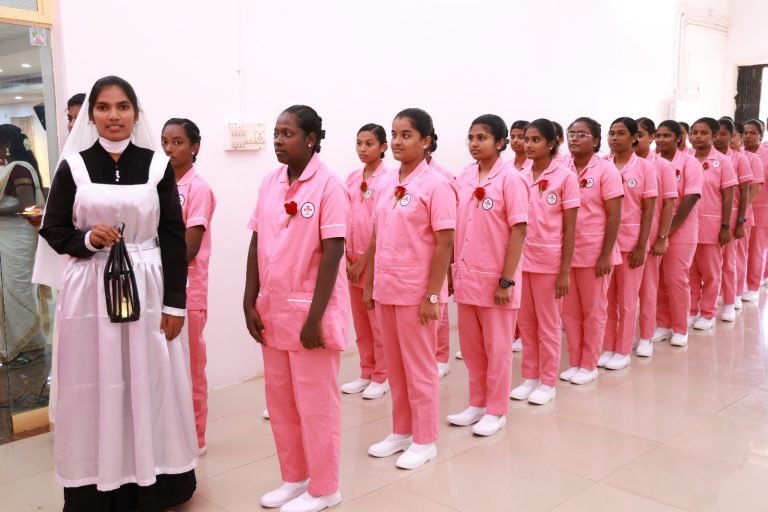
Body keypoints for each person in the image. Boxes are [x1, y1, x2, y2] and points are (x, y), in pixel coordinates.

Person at [38, 75, 197, 511]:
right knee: (94, 380)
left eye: (123, 107)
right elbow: (53, 228)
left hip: (147, 286)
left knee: (151, 379)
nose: (114, 115)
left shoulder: (157, 165)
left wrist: (175, 303)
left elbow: (173, 235)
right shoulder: (74, 166)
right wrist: (87, 240)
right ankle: (96, 483)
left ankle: (157, 480)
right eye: (104, 107)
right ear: (91, 116)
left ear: (135, 113)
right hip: (91, 288)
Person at [243, 105, 349, 512]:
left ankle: (325, 488)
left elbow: (333, 251)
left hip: (310, 315)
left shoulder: (329, 186)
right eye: (276, 133)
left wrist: (315, 318)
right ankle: (294, 478)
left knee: (316, 406)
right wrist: (249, 299)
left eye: (287, 133)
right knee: (281, 404)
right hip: (273, 312)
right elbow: (257, 241)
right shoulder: (270, 183)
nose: (278, 140)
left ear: (310, 139)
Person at [365, 108, 455, 469]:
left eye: (406, 135)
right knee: (396, 367)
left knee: (419, 368)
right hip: (388, 288)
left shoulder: (436, 185)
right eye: (394, 134)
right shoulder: (387, 183)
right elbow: (378, 236)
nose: (397, 142)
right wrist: (371, 284)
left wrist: (432, 295)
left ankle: (425, 439)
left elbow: (444, 244)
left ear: (426, 141)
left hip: (417, 293)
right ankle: (401, 430)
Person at [448, 114, 527, 436]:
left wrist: (507, 280)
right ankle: (477, 403)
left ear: (500, 142)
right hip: (467, 277)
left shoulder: (511, 180)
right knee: (472, 348)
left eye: (481, 138)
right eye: (471, 138)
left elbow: (519, 230)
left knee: (497, 349)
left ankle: (496, 410)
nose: (474, 144)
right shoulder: (465, 177)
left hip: (497, 280)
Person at [510, 119, 579, 404]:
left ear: (551, 144)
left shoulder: (566, 178)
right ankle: (530, 376)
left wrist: (565, 271)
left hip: (549, 262)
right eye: (527, 139)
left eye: (535, 140)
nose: (528, 144)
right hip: (522, 261)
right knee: (526, 323)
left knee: (548, 325)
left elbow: (571, 229)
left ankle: (548, 381)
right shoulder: (518, 176)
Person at [162, 118, 217, 454]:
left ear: (194, 147)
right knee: (166, 367)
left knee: (192, 367)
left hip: (188, 290)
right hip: (162, 287)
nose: (169, 149)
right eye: (165, 142)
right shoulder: (160, 185)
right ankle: (171, 433)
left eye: (178, 142)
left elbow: (190, 248)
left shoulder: (199, 189)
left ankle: (196, 437)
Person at [560, 117, 622, 381]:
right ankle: (575, 361)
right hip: (566, 253)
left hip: (595, 251)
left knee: (593, 310)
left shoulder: (606, 171)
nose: (574, 138)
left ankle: (589, 364)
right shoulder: (561, 167)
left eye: (581, 134)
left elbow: (614, 216)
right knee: (569, 312)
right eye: (571, 133)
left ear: (596, 141)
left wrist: (606, 254)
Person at [601, 118, 656, 369]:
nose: (614, 138)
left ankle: (623, 350)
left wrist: (642, 246)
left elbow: (649, 210)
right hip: (605, 243)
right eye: (611, 133)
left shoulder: (645, 168)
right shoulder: (602, 165)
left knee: (627, 300)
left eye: (621, 133)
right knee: (607, 300)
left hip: (631, 243)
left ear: (634, 137)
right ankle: (608, 346)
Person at [341, 123, 390, 399]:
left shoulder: (388, 180)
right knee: (360, 323)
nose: (362, 148)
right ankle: (366, 370)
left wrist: (363, 263)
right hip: (350, 262)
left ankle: (382, 375)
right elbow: (343, 216)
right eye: (359, 143)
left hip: (373, 263)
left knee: (377, 323)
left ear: (382, 147)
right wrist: (347, 258)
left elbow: (379, 228)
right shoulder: (351, 178)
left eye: (369, 143)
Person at [652, 120, 703, 347]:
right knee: (659, 280)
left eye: (667, 136)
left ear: (678, 138)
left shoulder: (689, 163)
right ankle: (663, 324)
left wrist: (667, 230)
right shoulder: (652, 162)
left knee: (676, 279)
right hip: (656, 229)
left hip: (680, 230)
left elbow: (690, 198)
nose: (661, 140)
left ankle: (680, 328)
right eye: (658, 136)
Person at [0, 124, 47, 366]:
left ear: (7, 144)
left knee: (19, 289)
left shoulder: (19, 169)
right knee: (7, 290)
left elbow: (27, 206)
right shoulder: (11, 168)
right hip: (8, 237)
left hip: (19, 238)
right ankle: (17, 344)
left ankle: (33, 345)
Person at [687, 117, 737, 330]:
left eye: (704, 132)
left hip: (711, 226)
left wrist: (725, 227)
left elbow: (728, 196)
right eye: (695, 132)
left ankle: (707, 313)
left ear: (714, 136)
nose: (698, 136)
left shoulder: (723, 162)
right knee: (689, 272)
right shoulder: (685, 159)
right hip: (687, 226)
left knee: (711, 272)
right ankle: (691, 310)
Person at [634, 117, 677, 357]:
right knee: (621, 295)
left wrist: (662, 237)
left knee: (647, 290)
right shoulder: (616, 163)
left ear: (651, 137)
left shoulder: (662, 166)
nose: (635, 139)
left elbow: (669, 203)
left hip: (649, 237)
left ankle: (646, 337)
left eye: (640, 135)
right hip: (622, 238)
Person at [714, 117, 752, 321]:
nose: (718, 138)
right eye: (716, 134)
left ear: (732, 136)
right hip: (708, 218)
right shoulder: (700, 158)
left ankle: (729, 301)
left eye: (723, 134)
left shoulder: (739, 159)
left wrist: (740, 222)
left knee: (729, 262)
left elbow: (745, 193)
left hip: (730, 217)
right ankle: (703, 306)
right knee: (706, 266)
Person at [424, 134, 454, 379]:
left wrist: (451, 265)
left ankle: (441, 356)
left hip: (439, 254)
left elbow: (447, 233)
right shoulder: (394, 180)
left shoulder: (442, 178)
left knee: (439, 310)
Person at [744, 119, 768, 302]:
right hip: (738, 211)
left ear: (761, 135)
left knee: (756, 251)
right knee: (739, 251)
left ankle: (753, 286)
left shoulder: (765, 156)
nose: (748, 136)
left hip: (761, 210)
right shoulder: (738, 154)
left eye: (753, 133)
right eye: (745, 132)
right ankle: (737, 286)